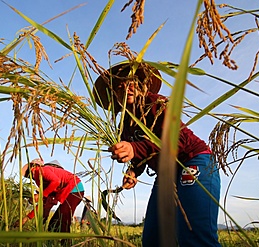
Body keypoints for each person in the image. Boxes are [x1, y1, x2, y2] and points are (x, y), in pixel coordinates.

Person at [93, 62, 221, 247]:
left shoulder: (156, 104)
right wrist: (134, 171)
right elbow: (140, 154)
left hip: (193, 161)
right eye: (119, 85)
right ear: (114, 94)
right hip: (166, 174)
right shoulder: (124, 124)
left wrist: (134, 149)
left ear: (142, 86)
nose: (127, 87)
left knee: (194, 236)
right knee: (154, 239)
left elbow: (178, 140)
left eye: (132, 82)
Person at [14, 158, 84, 245]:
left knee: (63, 218)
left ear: (34, 167)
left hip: (75, 190)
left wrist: (39, 195)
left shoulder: (43, 170)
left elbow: (56, 181)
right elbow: (44, 203)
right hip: (69, 192)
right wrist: (26, 218)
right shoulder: (44, 183)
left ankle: (66, 243)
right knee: (53, 225)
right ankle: (53, 243)